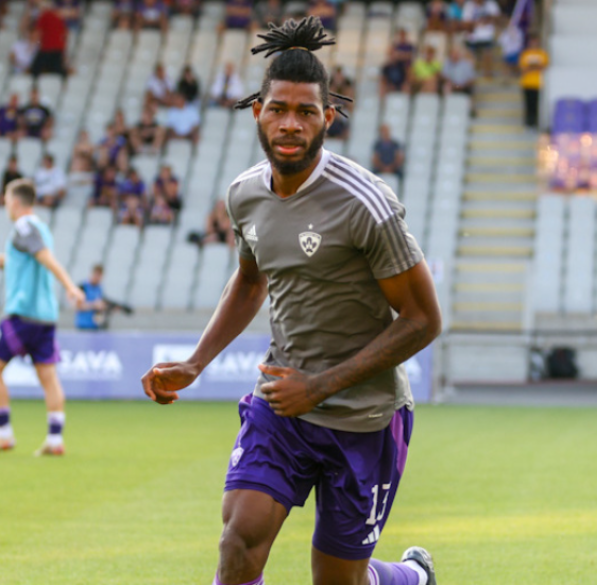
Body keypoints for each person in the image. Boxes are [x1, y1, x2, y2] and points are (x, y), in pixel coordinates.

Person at [140, 18, 441, 585]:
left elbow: (424, 320)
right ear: (258, 111)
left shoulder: (366, 204)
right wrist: (195, 363)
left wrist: (321, 386)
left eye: (306, 112)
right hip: (282, 406)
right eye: (278, 108)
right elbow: (249, 281)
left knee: (339, 581)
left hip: (364, 417)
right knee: (237, 545)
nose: (290, 123)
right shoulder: (244, 194)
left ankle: (409, 577)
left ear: (328, 118)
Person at [0, 179, 86, 456]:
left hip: (22, 313)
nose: (5, 205)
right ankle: (55, 439)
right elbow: (10, 260)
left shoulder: (23, 227)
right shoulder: (40, 228)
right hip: (46, 316)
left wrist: (70, 287)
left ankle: (3, 433)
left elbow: (45, 257)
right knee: (48, 376)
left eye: (7, 200)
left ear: (16, 202)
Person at [462, 0, 501, 78]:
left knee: (487, 52)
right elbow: (466, 23)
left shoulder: (491, 4)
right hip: (472, 36)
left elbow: (498, 19)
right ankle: (469, 75)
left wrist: (487, 19)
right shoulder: (469, 5)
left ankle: (488, 75)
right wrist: (478, 22)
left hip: (487, 36)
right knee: (468, 52)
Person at [518, 34, 548, 130]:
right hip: (527, 83)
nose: (534, 43)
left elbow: (543, 67)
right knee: (528, 103)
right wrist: (535, 67)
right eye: (532, 41)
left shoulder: (542, 54)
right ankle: (528, 122)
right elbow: (523, 68)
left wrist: (531, 67)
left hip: (538, 83)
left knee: (536, 104)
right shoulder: (525, 54)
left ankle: (535, 122)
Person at [33, 0, 68, 77]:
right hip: (58, 47)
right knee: (57, 70)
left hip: (47, 47)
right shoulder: (59, 17)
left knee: (35, 69)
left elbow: (38, 32)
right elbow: (64, 34)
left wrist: (33, 44)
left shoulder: (44, 16)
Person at [75, 264, 107, 330]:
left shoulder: (99, 288)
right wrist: (94, 305)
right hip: (83, 326)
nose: (97, 278)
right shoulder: (82, 286)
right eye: (96, 275)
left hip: (95, 326)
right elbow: (78, 306)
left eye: (100, 276)